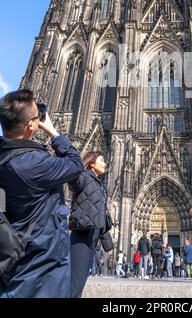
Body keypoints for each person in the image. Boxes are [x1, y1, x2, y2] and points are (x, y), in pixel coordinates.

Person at [0, 89, 84, 298]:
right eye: (38, 116)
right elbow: (75, 164)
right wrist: (54, 134)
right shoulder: (33, 164)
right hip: (40, 262)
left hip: (12, 251)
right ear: (31, 125)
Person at [68, 152, 113, 298]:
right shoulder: (83, 177)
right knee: (74, 279)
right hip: (81, 233)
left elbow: (100, 215)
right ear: (91, 163)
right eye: (101, 160)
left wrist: (107, 244)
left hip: (93, 236)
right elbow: (73, 178)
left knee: (81, 279)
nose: (105, 163)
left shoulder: (101, 186)